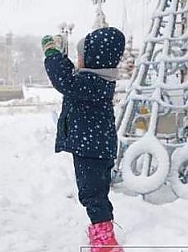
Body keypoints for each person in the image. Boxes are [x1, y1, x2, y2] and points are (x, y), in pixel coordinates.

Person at [42, 27, 125, 252]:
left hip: (92, 149)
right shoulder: (97, 79)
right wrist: (62, 56)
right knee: (95, 192)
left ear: (94, 60)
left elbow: (64, 80)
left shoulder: (92, 83)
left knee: (92, 194)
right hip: (94, 146)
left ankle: (104, 240)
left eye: (81, 57)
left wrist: (52, 54)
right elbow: (70, 76)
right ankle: (101, 230)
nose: (78, 61)